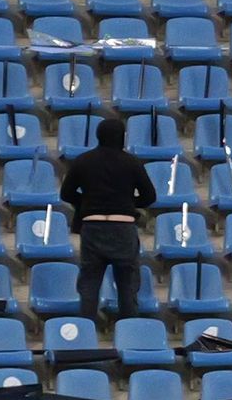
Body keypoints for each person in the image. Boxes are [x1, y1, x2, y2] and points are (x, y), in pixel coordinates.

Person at [59, 117, 158, 321]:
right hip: (123, 228)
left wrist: (86, 201)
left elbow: (66, 193)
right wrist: (128, 202)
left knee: (89, 284)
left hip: (92, 226)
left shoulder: (83, 161)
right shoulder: (131, 162)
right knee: (127, 285)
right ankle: (129, 334)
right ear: (122, 137)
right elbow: (149, 196)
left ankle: (85, 334)